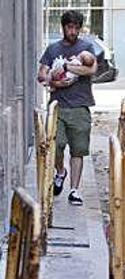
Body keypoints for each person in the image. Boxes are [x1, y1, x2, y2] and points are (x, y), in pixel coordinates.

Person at [37, 10, 100, 206]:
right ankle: (60, 172)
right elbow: (41, 75)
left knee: (78, 150)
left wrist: (66, 67)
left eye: (75, 28)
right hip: (58, 106)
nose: (72, 31)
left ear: (80, 29)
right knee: (56, 146)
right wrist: (54, 81)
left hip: (81, 105)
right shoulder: (53, 49)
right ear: (63, 27)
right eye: (69, 27)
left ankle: (74, 190)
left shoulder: (87, 47)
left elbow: (91, 69)